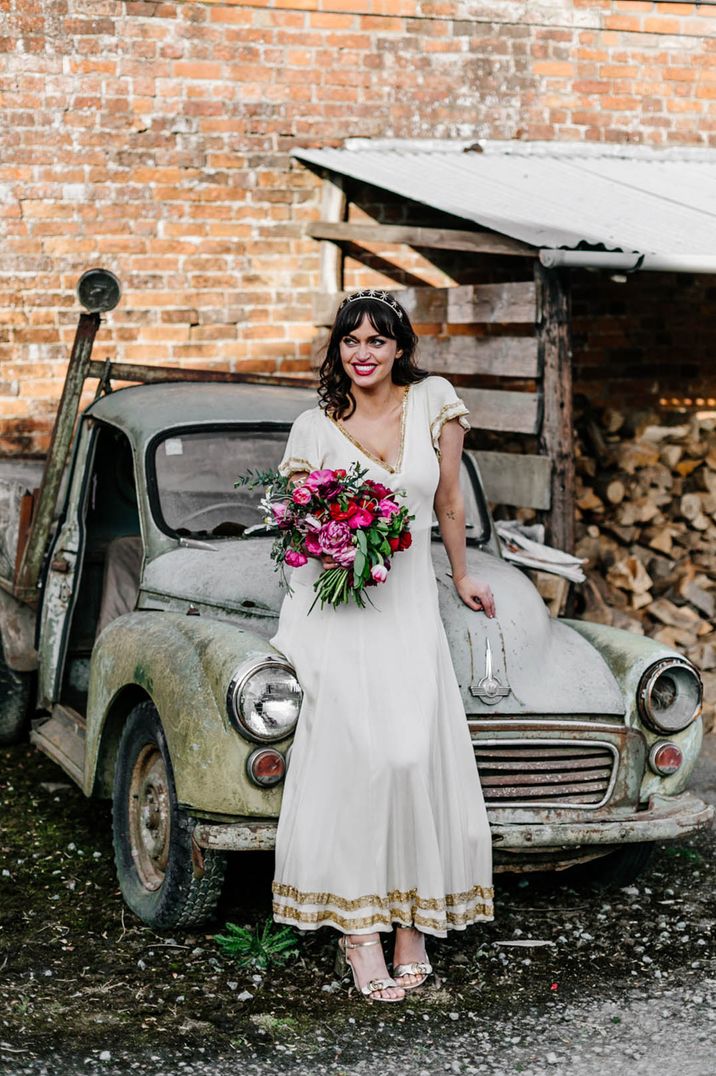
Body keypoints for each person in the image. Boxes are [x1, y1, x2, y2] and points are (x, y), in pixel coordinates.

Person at [269, 288, 495, 1003]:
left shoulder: (435, 403)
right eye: (350, 341)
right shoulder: (313, 426)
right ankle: (359, 933)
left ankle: (413, 923)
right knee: (356, 760)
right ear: (338, 349)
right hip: (336, 610)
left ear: (401, 348)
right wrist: (336, 539)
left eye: (377, 340)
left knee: (409, 755)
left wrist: (461, 576)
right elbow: (298, 531)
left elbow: (450, 500)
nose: (362, 353)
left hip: (405, 607)